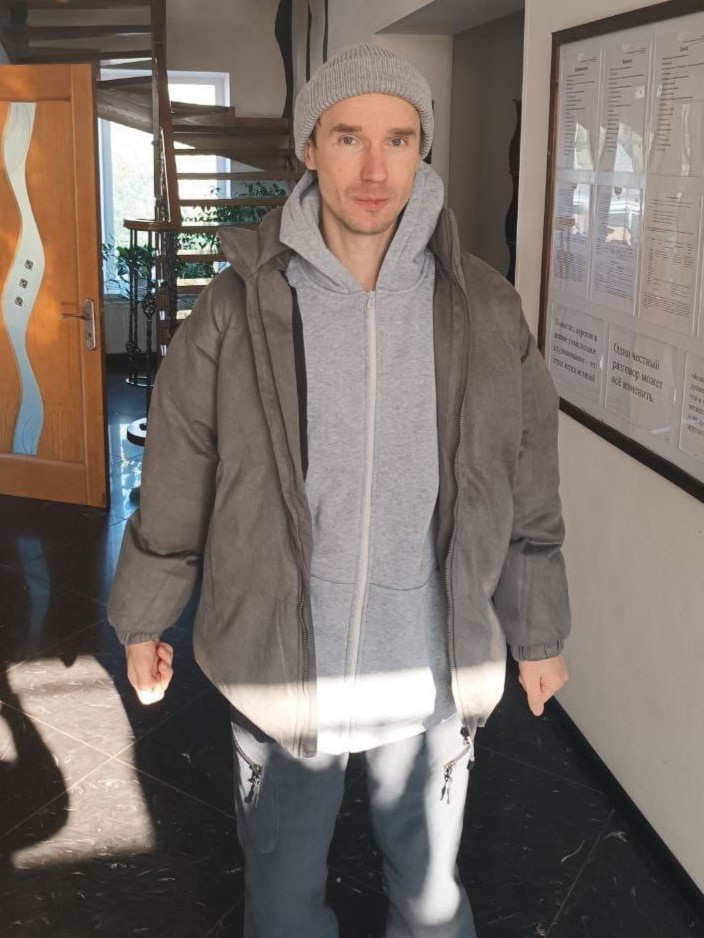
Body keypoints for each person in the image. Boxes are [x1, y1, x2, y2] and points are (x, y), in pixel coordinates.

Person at [108, 43, 570, 938]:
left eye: (399, 140)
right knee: (282, 908)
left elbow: (525, 475)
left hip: (428, 667)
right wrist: (143, 617)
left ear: (422, 150)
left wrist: (538, 630)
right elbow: (179, 464)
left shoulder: (485, 308)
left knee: (432, 905)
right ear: (309, 148)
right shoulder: (237, 308)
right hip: (281, 668)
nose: (374, 170)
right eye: (349, 137)